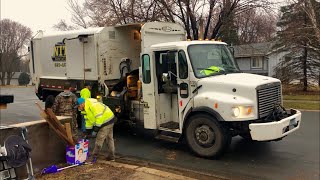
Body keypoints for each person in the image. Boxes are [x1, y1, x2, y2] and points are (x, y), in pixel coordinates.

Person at [77, 98, 116, 162]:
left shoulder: (93, 106)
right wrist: (88, 131)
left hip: (106, 121)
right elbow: (88, 121)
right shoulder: (85, 110)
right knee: (109, 139)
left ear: (82, 104)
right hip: (108, 119)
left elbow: (99, 117)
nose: (78, 108)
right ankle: (112, 157)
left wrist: (96, 130)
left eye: (79, 106)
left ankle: (93, 157)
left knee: (99, 140)